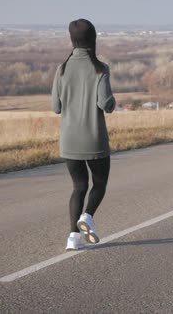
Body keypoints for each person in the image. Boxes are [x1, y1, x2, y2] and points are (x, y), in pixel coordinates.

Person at [51, 18, 115, 251]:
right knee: (99, 184)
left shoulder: (62, 69)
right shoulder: (100, 68)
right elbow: (105, 104)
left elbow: (56, 107)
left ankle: (72, 238)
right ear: (93, 39)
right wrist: (112, 100)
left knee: (78, 187)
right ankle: (87, 217)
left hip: (69, 141)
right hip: (94, 139)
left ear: (72, 39)